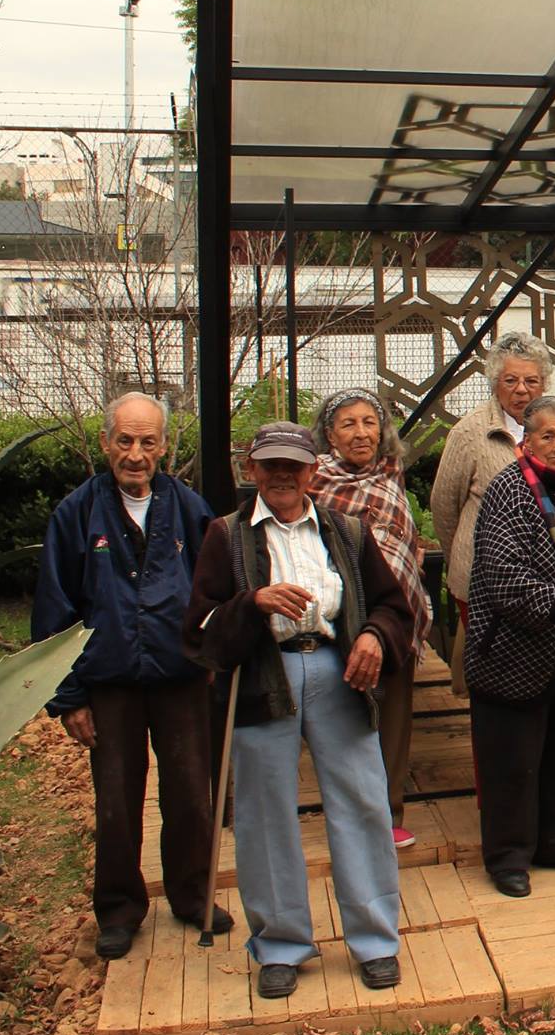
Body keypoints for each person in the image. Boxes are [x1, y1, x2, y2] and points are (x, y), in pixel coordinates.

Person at [182, 423, 414, 1000]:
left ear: (313, 471)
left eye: (294, 466)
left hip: (339, 671)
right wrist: (252, 603)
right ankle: (282, 944)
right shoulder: (225, 536)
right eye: (271, 466)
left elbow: (392, 605)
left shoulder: (347, 531)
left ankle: (375, 939)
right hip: (264, 677)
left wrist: (374, 639)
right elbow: (198, 630)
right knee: (265, 813)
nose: (282, 476)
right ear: (251, 470)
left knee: (362, 801)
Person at [36, 393, 223, 961]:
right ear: (105, 444)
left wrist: (212, 656)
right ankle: (118, 911)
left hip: (180, 678)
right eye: (125, 441)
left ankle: (192, 896)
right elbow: (54, 607)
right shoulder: (76, 513)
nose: (135, 454)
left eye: (147, 442)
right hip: (109, 683)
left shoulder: (190, 509)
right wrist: (70, 698)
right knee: (116, 801)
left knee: (191, 794)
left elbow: (214, 590)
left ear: (164, 447)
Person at [463, 397, 555, 898]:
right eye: (547, 436)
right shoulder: (508, 489)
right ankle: (508, 856)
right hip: (509, 649)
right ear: (526, 441)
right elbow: (505, 575)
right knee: (513, 761)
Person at [311, 389, 434, 850]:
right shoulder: (315, 482)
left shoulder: (390, 476)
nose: (361, 433)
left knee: (394, 718)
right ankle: (347, 817)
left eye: (369, 423)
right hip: (341, 619)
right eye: (349, 424)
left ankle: (389, 812)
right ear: (329, 434)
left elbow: (403, 539)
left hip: (395, 614)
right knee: (345, 720)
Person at [431, 332, 553, 693]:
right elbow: (444, 507)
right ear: (494, 383)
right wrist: (467, 555)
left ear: (544, 384)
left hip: (541, 583)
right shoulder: (470, 432)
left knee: (532, 676)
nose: (521, 390)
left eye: (531, 381)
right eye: (510, 380)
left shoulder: (554, 428)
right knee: (490, 678)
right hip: (480, 583)